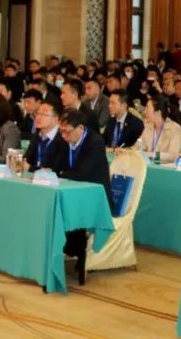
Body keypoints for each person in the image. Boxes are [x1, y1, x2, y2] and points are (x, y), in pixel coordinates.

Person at [58, 108, 115, 277]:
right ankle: (63, 248)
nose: (64, 136)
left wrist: (62, 173)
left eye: (67, 132)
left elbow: (83, 173)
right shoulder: (64, 140)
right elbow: (58, 165)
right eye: (61, 131)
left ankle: (76, 252)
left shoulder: (95, 142)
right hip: (73, 191)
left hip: (96, 197)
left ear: (80, 128)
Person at [135, 97, 181, 164]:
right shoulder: (147, 127)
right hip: (148, 165)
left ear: (158, 112)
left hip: (165, 167)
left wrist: (149, 154)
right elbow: (138, 146)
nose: (145, 111)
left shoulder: (175, 129)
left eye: (147, 108)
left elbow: (172, 155)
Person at [24, 101, 65, 171]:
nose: (39, 117)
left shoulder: (63, 138)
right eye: (38, 113)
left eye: (44, 114)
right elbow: (27, 159)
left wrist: (30, 168)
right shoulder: (36, 135)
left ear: (56, 119)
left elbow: (55, 169)